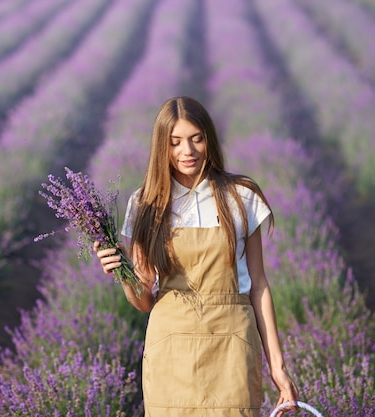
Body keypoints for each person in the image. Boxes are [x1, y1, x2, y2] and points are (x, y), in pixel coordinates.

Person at [94, 96, 299, 417]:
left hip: (232, 346)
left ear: (209, 139)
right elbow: (145, 299)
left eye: (196, 139)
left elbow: (258, 284)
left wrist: (278, 367)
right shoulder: (145, 204)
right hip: (171, 350)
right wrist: (123, 274)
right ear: (162, 146)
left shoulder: (241, 196)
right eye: (175, 142)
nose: (187, 151)